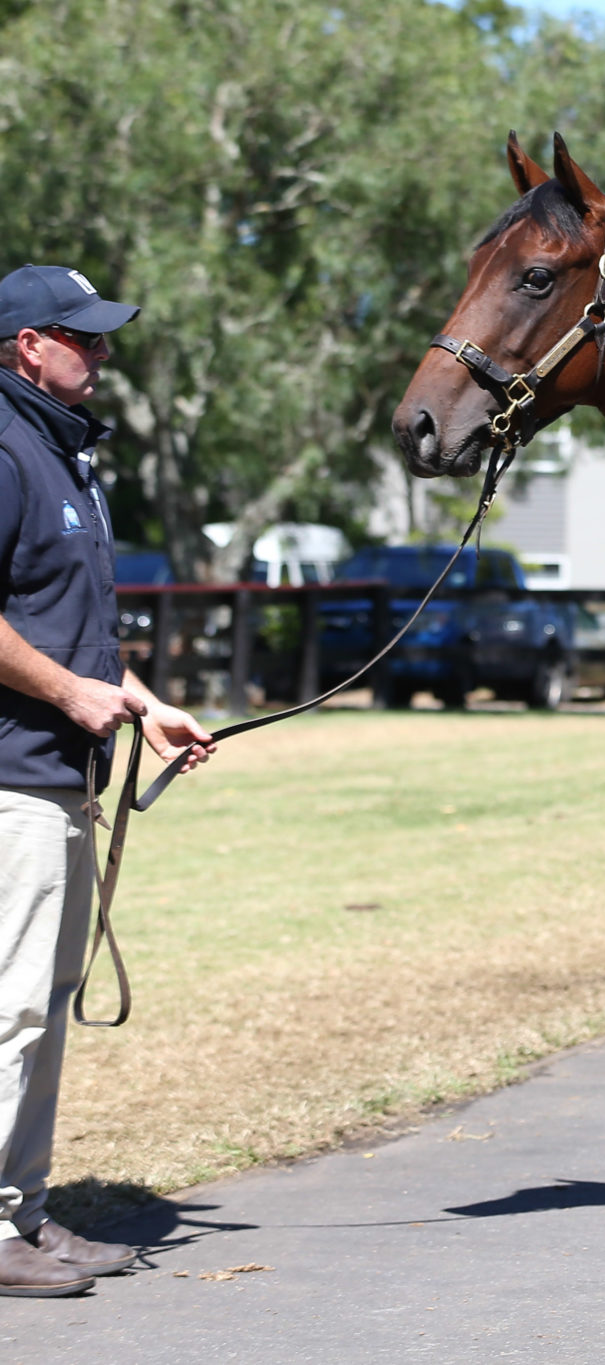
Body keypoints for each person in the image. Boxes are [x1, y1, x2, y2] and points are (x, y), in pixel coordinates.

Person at [0, 264, 215, 1296]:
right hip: (10, 779)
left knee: (46, 1000)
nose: (103, 352)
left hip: (59, 773)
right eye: (82, 337)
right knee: (12, 1012)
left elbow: (67, 629)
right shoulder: (4, 449)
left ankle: (24, 1218)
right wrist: (64, 692)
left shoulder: (63, 455)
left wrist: (137, 698)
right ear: (27, 346)